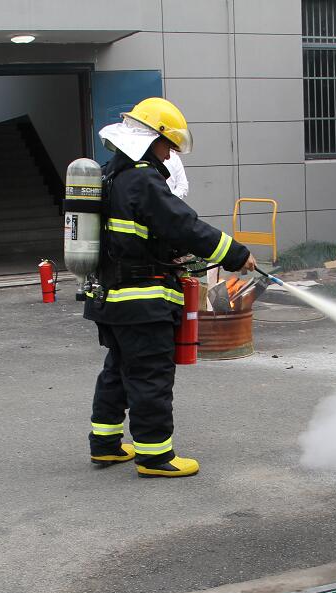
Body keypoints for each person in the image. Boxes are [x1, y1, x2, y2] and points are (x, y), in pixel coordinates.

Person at [89, 97, 256, 478]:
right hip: (142, 300)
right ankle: (155, 457)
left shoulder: (109, 174)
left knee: (117, 369)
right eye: (169, 145)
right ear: (152, 139)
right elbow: (184, 225)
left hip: (110, 297)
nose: (171, 154)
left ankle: (105, 444)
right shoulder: (142, 179)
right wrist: (236, 254)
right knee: (150, 376)